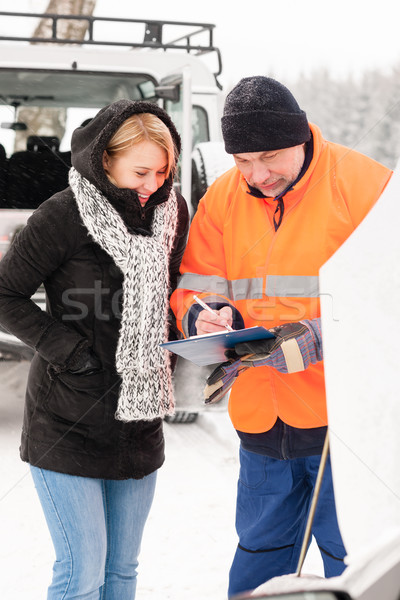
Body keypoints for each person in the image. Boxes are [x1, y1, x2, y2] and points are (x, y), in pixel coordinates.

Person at [170, 76, 392, 598]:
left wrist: (321, 334)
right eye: (243, 159)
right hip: (262, 423)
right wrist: (204, 315)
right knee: (258, 567)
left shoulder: (367, 185)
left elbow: (391, 300)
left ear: (301, 138)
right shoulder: (225, 195)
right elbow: (195, 284)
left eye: (269, 156)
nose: (257, 174)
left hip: (348, 430)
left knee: (356, 568)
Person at [0, 99, 189, 599]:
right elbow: (5, 294)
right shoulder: (63, 215)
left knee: (122, 570)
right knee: (82, 573)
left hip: (139, 421)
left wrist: (195, 323)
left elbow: (174, 291)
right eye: (141, 171)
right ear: (106, 160)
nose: (154, 184)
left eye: (164, 171)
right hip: (67, 418)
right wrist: (70, 351)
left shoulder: (172, 213)